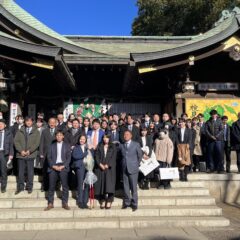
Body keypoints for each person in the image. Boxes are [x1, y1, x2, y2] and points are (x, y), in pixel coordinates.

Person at [45, 131, 71, 211]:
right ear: (55, 136)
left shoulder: (67, 146)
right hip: (53, 167)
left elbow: (69, 157)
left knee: (65, 186)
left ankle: (65, 203)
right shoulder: (51, 146)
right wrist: (53, 166)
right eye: (57, 135)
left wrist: (63, 166)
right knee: (51, 186)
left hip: (63, 166)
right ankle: (50, 203)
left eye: (60, 135)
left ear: (63, 136)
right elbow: (48, 157)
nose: (59, 136)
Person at [14, 116, 41, 194]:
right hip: (21, 154)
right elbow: (16, 142)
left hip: (30, 154)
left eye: (30, 121)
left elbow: (37, 143)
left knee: (30, 172)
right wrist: (21, 151)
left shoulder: (36, 131)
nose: (28, 122)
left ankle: (29, 187)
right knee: (21, 172)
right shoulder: (20, 130)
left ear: (32, 122)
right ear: (25, 122)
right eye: (27, 121)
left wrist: (30, 151)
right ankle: (20, 187)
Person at [119, 130, 142, 211]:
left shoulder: (136, 144)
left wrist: (136, 165)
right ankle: (127, 202)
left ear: (131, 136)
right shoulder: (121, 145)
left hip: (133, 168)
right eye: (124, 134)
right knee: (126, 187)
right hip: (124, 168)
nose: (125, 136)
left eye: (127, 134)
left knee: (133, 187)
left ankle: (134, 203)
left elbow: (140, 156)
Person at [94, 134, 117, 209]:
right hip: (100, 168)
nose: (105, 139)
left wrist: (108, 164)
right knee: (101, 184)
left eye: (107, 137)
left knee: (109, 184)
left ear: (109, 138)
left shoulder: (113, 146)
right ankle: (102, 199)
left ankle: (110, 200)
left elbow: (114, 157)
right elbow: (96, 156)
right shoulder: (99, 145)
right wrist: (100, 164)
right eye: (104, 137)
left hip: (110, 168)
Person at [39, 117, 58, 191]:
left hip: (56, 154)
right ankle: (44, 186)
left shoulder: (58, 131)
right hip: (45, 154)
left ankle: (55, 186)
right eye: (51, 122)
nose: (52, 124)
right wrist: (41, 153)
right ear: (48, 123)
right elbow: (41, 142)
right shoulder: (44, 131)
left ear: (56, 123)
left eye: (53, 122)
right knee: (45, 170)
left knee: (55, 171)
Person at [71, 135, 89, 209]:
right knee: (80, 184)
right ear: (79, 140)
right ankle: (80, 201)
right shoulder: (76, 147)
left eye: (83, 139)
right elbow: (75, 156)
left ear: (85, 140)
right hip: (79, 167)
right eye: (81, 139)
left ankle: (85, 201)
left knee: (87, 184)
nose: (82, 140)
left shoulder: (87, 147)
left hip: (87, 168)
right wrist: (84, 154)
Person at [0, 119, 14, 193]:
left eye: (1, 124)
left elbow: (11, 144)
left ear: (5, 125)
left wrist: (11, 154)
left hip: (3, 153)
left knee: (3, 171)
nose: (0, 125)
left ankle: (3, 187)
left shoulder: (9, 133)